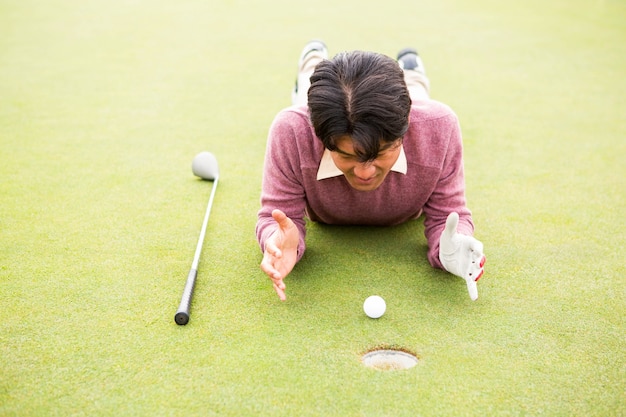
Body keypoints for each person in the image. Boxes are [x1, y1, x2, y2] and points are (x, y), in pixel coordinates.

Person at [256, 40, 486, 302]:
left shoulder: (440, 127)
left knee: (418, 95)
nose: (365, 173)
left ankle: (413, 73)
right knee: (304, 95)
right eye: (345, 155)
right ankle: (312, 60)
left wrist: (451, 249)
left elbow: (448, 214)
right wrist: (276, 241)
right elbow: (277, 219)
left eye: (381, 153)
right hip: (310, 113)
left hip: (415, 109)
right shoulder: (291, 132)